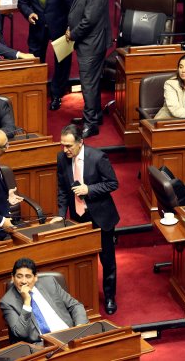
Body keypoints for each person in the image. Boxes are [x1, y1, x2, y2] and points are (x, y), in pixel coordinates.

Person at [57, 124, 119, 314]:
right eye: (63, 145)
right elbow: (62, 189)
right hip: (78, 217)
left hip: (100, 216)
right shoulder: (62, 158)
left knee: (107, 260)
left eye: (69, 146)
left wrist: (89, 190)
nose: (65, 150)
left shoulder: (97, 157)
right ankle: (83, 298)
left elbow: (112, 183)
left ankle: (109, 297)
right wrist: (61, 216)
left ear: (80, 142)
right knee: (82, 260)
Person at [19, 0, 76, 111]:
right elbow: (22, 2)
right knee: (35, 60)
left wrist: (71, 27)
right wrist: (28, 13)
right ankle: (36, 92)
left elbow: (72, 5)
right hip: (37, 27)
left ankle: (57, 94)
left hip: (61, 27)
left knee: (62, 62)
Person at [66, 0, 112, 139]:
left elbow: (88, 21)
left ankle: (91, 123)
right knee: (91, 82)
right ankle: (95, 115)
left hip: (91, 44)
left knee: (88, 84)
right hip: (90, 42)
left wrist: (73, 33)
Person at [0, 257, 88, 343]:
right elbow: (20, 333)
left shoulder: (49, 283)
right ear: (12, 277)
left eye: (28, 276)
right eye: (19, 276)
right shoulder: (7, 302)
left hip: (69, 335)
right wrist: (26, 303)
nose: (23, 281)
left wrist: (79, 327)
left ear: (35, 277)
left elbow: (75, 306)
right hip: (42, 345)